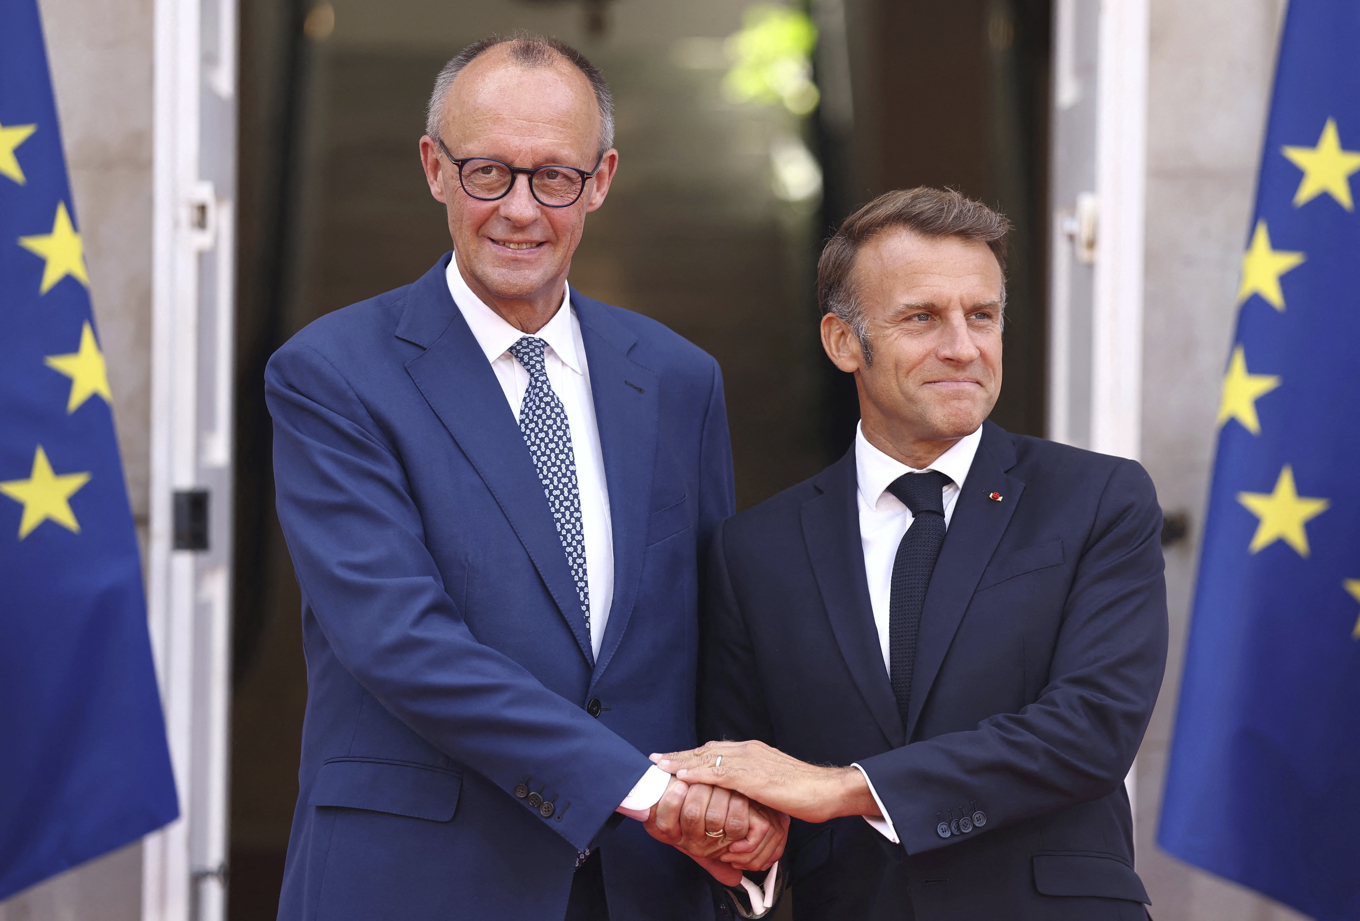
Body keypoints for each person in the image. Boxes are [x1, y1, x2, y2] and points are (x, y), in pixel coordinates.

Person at [265, 35, 784, 921]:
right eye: (487, 173)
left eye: (554, 177)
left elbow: (708, 632)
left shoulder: (677, 377)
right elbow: (400, 641)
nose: (519, 209)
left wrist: (738, 801)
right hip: (419, 879)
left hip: (640, 885)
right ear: (434, 168)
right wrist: (647, 792)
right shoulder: (332, 373)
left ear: (602, 179)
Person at [658, 187, 1168, 920]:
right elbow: (755, 787)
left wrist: (844, 787)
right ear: (843, 342)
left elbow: (1091, 731)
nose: (962, 346)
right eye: (922, 317)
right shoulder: (754, 552)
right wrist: (740, 834)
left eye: (982, 315)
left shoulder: (1098, 499)